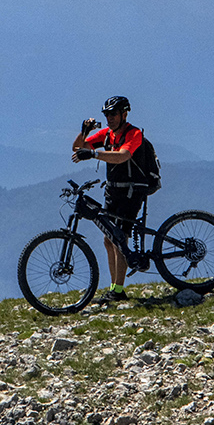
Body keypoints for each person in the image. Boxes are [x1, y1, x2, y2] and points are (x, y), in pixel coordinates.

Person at [71, 95, 161, 303]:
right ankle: (114, 287)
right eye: (106, 115)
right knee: (108, 238)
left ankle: (118, 291)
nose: (109, 118)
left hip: (132, 190)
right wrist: (85, 132)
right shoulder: (107, 134)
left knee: (119, 238)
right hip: (113, 190)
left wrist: (94, 155)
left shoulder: (134, 133)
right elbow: (78, 148)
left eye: (113, 114)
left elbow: (123, 156)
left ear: (124, 114)